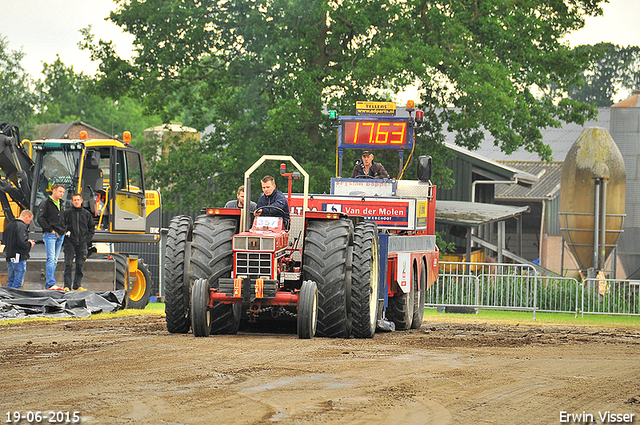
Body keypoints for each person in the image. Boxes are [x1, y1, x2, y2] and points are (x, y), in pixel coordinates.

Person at [62, 193, 95, 291]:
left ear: (81, 201)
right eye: (74, 200)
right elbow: (62, 226)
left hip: (82, 243)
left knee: (80, 265)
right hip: (70, 243)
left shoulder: (86, 214)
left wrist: (86, 240)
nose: (76, 201)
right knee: (68, 264)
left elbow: (91, 228)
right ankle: (67, 286)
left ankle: (77, 285)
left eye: (78, 200)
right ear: (72, 202)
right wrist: (66, 238)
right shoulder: (67, 213)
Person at [37, 183, 67, 290]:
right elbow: (40, 219)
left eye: (63, 192)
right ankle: (50, 283)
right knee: (51, 258)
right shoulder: (45, 204)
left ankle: (50, 282)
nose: (62, 194)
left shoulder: (61, 203)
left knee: (55, 259)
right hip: (51, 235)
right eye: (60, 191)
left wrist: (63, 230)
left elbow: (62, 218)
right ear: (53, 190)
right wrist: (51, 230)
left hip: (60, 234)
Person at [3, 210, 35, 289]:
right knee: (18, 280)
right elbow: (22, 242)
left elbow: (6, 239)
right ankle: (15, 298)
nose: (28, 223)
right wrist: (30, 244)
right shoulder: (21, 226)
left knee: (11, 279)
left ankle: (6, 296)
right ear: (26, 217)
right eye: (29, 220)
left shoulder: (10, 224)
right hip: (19, 257)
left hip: (10, 255)